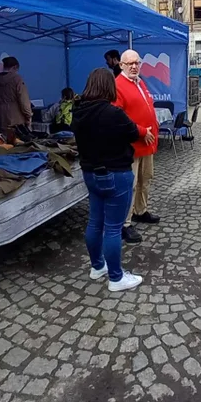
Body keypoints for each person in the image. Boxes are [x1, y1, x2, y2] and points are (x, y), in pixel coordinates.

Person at [70, 69, 143, 292]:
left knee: (95, 222)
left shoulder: (79, 111)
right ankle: (116, 278)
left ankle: (97, 266)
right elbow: (133, 133)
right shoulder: (113, 113)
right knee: (113, 228)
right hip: (116, 174)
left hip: (90, 173)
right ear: (109, 87)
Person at [113, 49, 159, 242]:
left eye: (137, 62)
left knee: (145, 179)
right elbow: (118, 117)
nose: (134, 66)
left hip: (146, 144)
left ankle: (141, 210)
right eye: (130, 63)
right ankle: (125, 223)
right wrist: (140, 130)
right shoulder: (117, 85)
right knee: (129, 185)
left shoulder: (140, 82)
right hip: (131, 145)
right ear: (121, 65)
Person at [0, 56, 32, 134]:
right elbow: (24, 100)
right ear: (15, 67)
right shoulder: (17, 79)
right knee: (19, 141)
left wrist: (0, 105)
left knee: (5, 141)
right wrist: (28, 115)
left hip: (1, 115)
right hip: (17, 117)